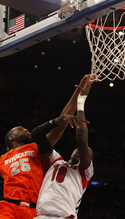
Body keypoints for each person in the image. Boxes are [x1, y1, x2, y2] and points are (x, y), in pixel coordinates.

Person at [0, 75, 92, 219]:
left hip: (36, 211)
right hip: (9, 207)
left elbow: (63, 120)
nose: (25, 129)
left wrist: (78, 92)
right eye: (20, 128)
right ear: (11, 137)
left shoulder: (37, 149)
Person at [35, 75, 94, 219]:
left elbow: (81, 139)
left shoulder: (85, 173)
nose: (80, 151)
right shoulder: (55, 161)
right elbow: (37, 135)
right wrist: (59, 120)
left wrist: (81, 101)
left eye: (85, 151)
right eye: (78, 150)